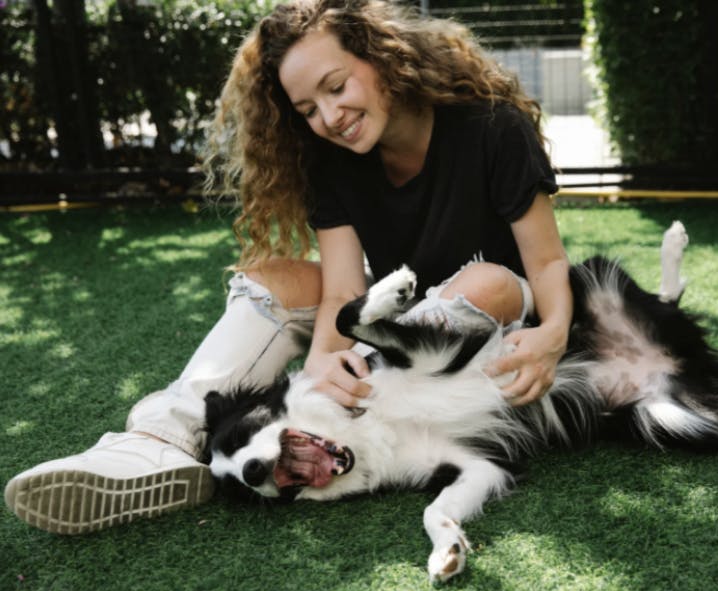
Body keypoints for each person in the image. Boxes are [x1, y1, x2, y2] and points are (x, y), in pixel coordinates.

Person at [4, 0, 572, 534]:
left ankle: (373, 384)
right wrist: (327, 363)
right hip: (397, 308)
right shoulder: (334, 160)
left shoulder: (492, 126)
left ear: (383, 58)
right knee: (266, 277)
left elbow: (545, 261)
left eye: (337, 86)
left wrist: (552, 334)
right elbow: (342, 289)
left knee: (486, 282)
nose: (330, 117)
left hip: (497, 313)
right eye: (308, 110)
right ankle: (159, 439)